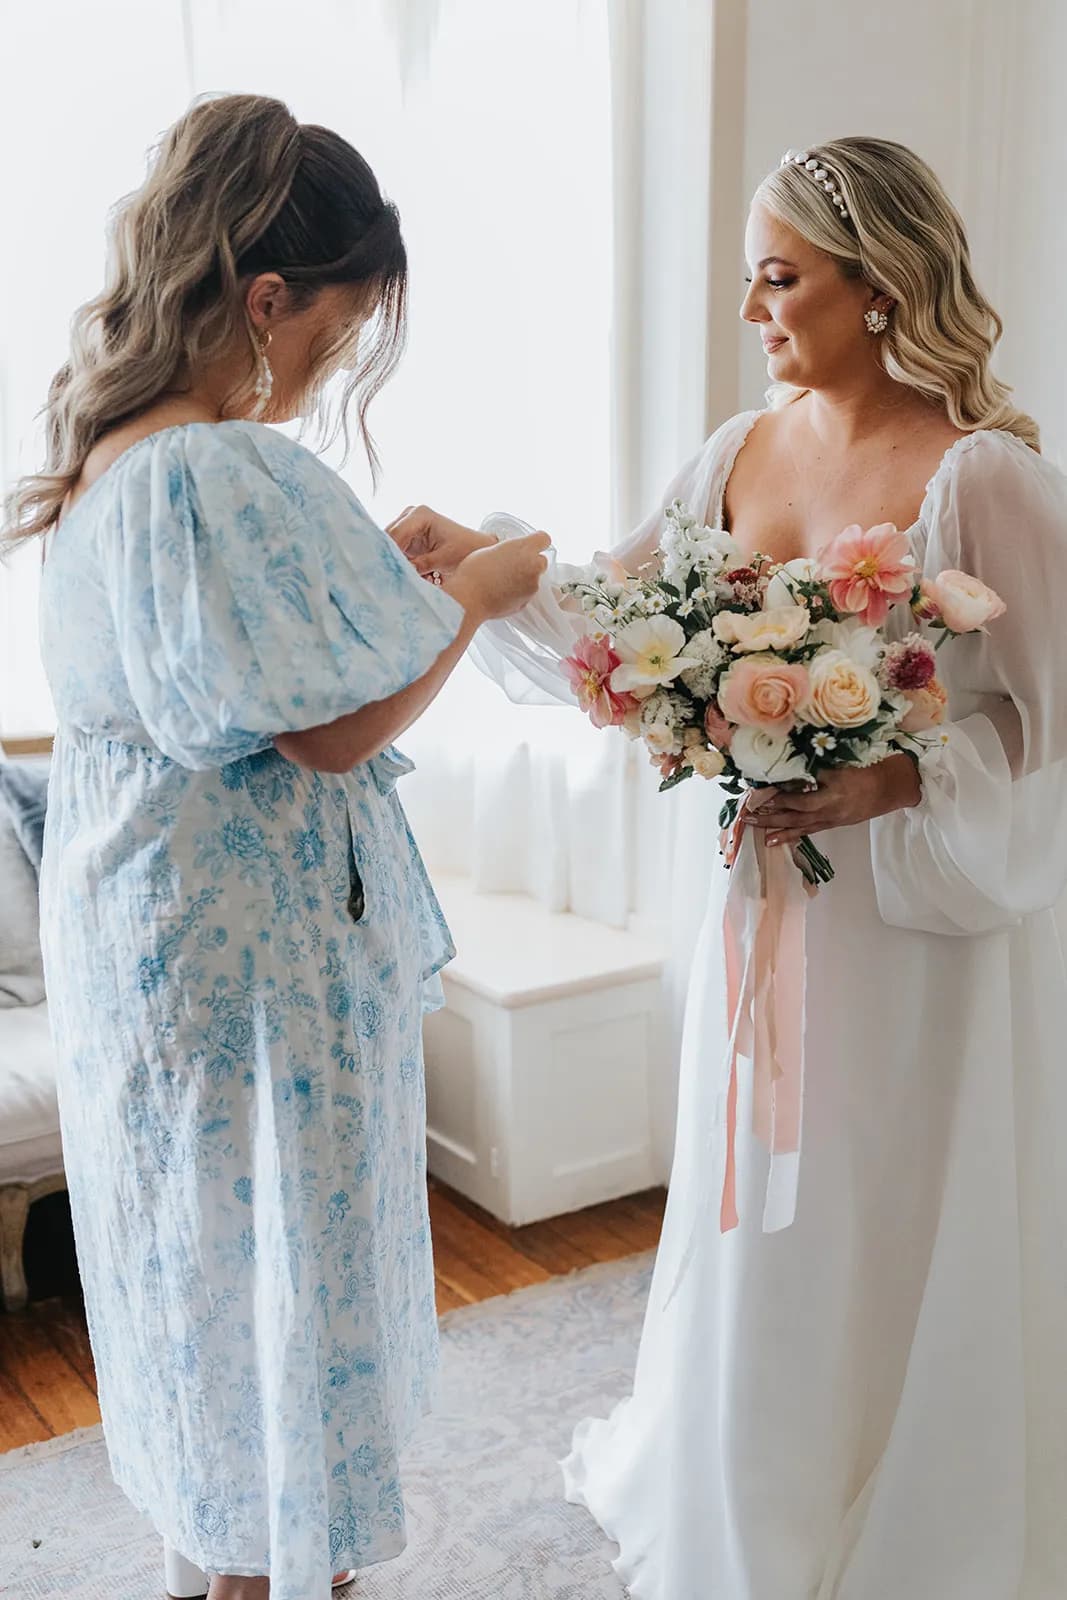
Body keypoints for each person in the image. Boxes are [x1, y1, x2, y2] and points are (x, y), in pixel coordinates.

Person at [390, 137, 1067, 1597]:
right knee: (765, 1202)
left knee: (882, 1202)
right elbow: (621, 616)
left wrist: (903, 774)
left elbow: (1058, 722)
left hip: (917, 934)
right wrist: (489, 556)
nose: (755, 313)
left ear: (879, 287)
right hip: (760, 908)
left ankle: (906, 1511)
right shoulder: (738, 449)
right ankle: (758, 1480)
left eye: (780, 279)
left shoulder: (984, 477)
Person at [2, 93, 547, 1600]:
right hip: (249, 964)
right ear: (265, 299)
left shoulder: (115, 459)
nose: (330, 366)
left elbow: (226, 676)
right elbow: (324, 730)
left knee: (198, 1275)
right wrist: (480, 594)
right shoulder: (220, 470)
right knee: (279, 1276)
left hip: (144, 938)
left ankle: (223, 1559)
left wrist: (376, 577)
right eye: (339, 328)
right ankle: (269, 1573)